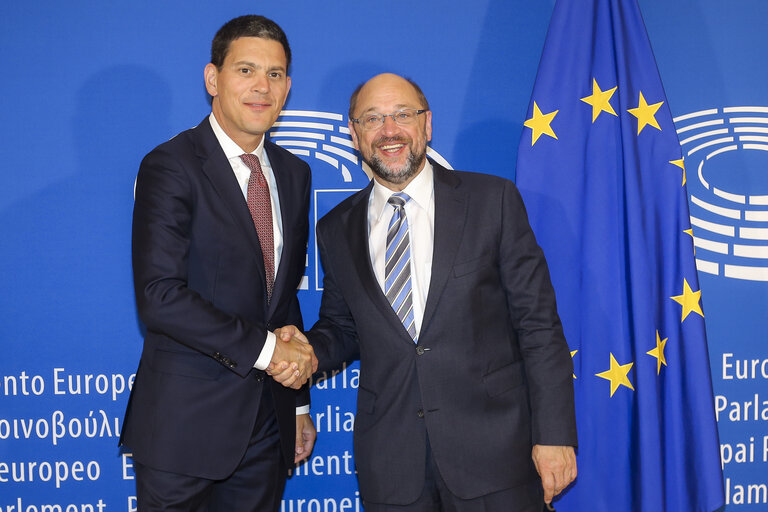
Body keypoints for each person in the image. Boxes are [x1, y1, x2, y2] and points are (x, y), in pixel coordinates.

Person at [274, 73, 577, 511]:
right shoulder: (335, 228)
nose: (389, 130)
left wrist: (553, 436)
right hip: (393, 464)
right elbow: (343, 327)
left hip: (496, 457)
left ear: (427, 125)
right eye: (373, 119)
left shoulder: (492, 201)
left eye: (403, 115)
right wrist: (308, 351)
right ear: (354, 135)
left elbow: (539, 327)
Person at [120, 15, 317, 511]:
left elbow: (280, 295)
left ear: (288, 87)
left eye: (275, 74)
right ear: (213, 78)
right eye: (246, 70)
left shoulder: (294, 173)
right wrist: (268, 352)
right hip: (184, 428)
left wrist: (295, 402)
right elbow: (159, 297)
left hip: (266, 429)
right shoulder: (171, 165)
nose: (261, 87)